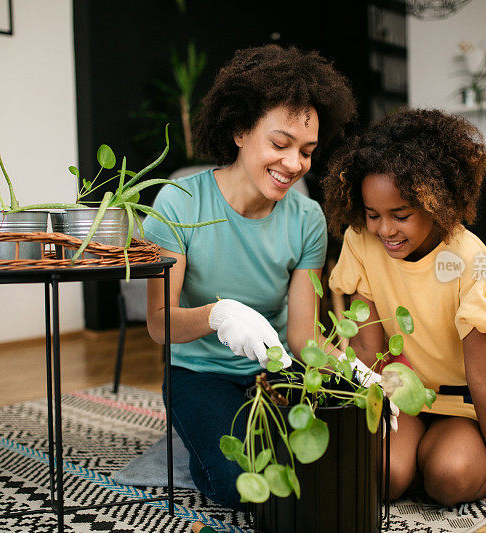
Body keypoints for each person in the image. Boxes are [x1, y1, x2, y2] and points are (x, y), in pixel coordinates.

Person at [143, 44, 357, 510]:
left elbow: (301, 338)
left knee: (339, 465)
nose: (294, 165)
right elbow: (160, 323)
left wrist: (353, 371)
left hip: (276, 371)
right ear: (240, 130)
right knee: (246, 486)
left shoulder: (307, 219)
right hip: (197, 372)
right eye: (280, 144)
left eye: (306, 151)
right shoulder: (180, 203)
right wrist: (218, 315)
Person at [324, 109, 486, 510]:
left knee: (451, 479)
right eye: (373, 215)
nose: (384, 230)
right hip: (399, 397)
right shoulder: (361, 243)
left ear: (435, 201)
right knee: (384, 478)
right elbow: (368, 352)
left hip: (460, 404)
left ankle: (470, 462)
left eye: (400, 215)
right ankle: (419, 455)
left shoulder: (470, 261)